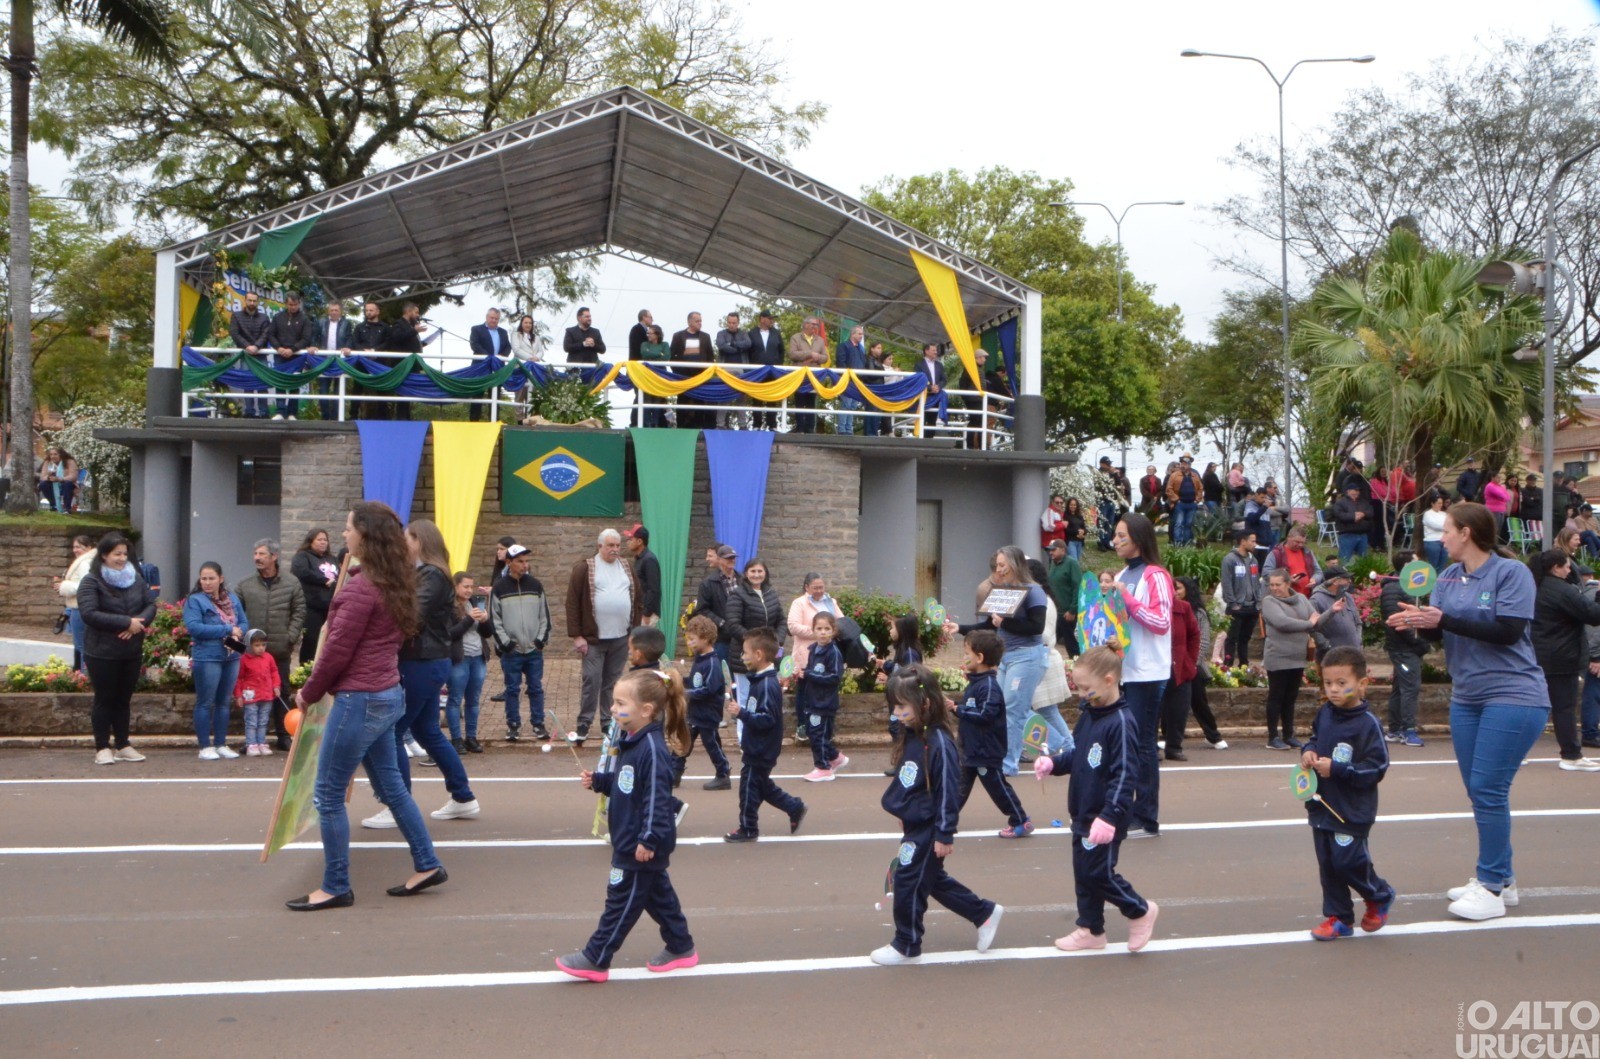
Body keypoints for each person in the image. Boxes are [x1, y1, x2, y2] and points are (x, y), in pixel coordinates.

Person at [1386, 502, 1550, 921]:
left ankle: (1491, 885)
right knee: (1480, 791)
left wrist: (1445, 619)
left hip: (1514, 694)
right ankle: (1504, 879)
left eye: (1447, 531)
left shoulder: (1510, 573)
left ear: (1468, 533)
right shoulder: (1446, 576)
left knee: (1489, 789)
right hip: (1467, 696)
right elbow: (1444, 629)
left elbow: (1508, 630)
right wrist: (1418, 623)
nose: (1442, 539)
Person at [288, 501, 444, 912]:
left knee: (328, 794)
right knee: (392, 786)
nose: (343, 534)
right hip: (388, 693)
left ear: (366, 536)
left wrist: (307, 693)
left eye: (348, 528)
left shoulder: (360, 588)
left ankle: (336, 884)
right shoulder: (393, 581)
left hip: (360, 699)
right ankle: (427, 863)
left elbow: (337, 653)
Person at [557, 669, 697, 981]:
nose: (613, 708)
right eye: (614, 702)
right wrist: (600, 781)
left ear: (646, 711)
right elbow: (626, 784)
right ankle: (681, 945)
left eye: (621, 703)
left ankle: (596, 957)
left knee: (620, 900)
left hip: (638, 843)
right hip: (631, 838)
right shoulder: (633, 740)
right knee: (656, 896)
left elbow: (656, 801)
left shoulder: (652, 750)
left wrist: (648, 839)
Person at [870, 665, 1003, 965]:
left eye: (902, 706)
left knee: (907, 882)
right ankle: (983, 913)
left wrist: (944, 834)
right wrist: (903, 809)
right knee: (929, 879)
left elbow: (947, 792)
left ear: (925, 704)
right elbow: (911, 780)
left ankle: (907, 942)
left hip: (930, 828)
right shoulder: (916, 735)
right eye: (895, 706)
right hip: (917, 823)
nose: (897, 712)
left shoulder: (939, 743)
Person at [1034, 646, 1159, 954]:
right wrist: (1054, 763)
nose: (1081, 694)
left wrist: (1109, 816)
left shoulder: (1121, 722)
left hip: (1105, 815)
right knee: (1083, 873)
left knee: (1097, 873)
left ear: (1108, 680)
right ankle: (1090, 928)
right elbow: (1079, 755)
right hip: (1083, 810)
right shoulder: (1090, 714)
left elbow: (1125, 774)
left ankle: (1139, 910)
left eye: (1086, 688)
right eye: (1078, 687)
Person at [369, 519, 479, 829]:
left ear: (420, 540)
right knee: (426, 731)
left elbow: (411, 613)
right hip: (428, 661)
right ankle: (463, 797)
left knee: (392, 731)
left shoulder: (432, 575)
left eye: (407, 538)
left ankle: (397, 804)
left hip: (422, 662)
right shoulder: (426, 574)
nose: (403, 543)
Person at [1299, 645, 1396, 941]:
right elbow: (1314, 738)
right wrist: (1309, 752)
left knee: (1348, 861)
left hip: (1351, 810)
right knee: (1328, 865)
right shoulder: (1325, 714)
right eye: (1328, 683)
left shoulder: (1368, 724)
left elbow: (1377, 767)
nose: (1334, 690)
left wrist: (1340, 770)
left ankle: (1378, 894)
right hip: (1321, 805)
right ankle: (1339, 917)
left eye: (1342, 683)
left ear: (1363, 683)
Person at [946, 546, 1050, 779]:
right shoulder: (1003, 591)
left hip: (1026, 655)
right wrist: (960, 628)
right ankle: (1002, 756)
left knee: (1013, 709)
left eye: (1003, 565)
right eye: (997, 566)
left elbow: (1036, 627)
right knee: (1000, 708)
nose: (999, 570)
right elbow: (990, 625)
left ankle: (1008, 764)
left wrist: (1005, 623)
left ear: (1015, 565)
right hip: (1005, 657)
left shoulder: (1034, 591)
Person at [1103, 514, 1173, 838]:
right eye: (1115, 536)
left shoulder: (1155, 575)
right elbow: (1122, 625)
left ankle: (1146, 816)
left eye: (1121, 536)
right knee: (1128, 744)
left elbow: (1160, 622)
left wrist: (1126, 599)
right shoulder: (1121, 574)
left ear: (1138, 538)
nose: (1115, 541)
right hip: (1126, 670)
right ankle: (1130, 809)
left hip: (1149, 671)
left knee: (1143, 744)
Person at [723, 627, 807, 843]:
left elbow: (767, 719)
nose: (742, 657)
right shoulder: (760, 681)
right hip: (758, 746)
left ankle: (748, 827)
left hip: (762, 748)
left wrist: (742, 713)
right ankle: (794, 806)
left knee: (749, 789)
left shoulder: (768, 684)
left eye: (745, 652)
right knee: (760, 785)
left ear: (758, 654)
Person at [78, 532, 156, 765]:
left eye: (125, 554)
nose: (122, 558)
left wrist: (137, 624)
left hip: (130, 650)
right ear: (104, 555)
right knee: (105, 699)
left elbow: (150, 605)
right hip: (102, 651)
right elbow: (89, 614)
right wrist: (125, 622)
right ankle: (102, 746)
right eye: (116, 554)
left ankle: (123, 744)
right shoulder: (91, 581)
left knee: (123, 699)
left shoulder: (136, 579)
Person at [954, 629, 1033, 838]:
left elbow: (985, 715)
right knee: (958, 787)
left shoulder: (989, 686)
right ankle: (945, 821)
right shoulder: (978, 682)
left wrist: (957, 709)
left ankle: (1020, 819)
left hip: (985, 751)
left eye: (967, 654)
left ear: (979, 658)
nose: (964, 658)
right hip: (971, 749)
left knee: (997, 788)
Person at [1527, 548, 1600, 771]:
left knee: (1527, 706)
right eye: (1567, 566)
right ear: (1556, 568)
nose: (1570, 570)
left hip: (1534, 654)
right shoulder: (1562, 590)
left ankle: (1513, 751)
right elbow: (1593, 615)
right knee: (1564, 708)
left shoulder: (1533, 586)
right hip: (1562, 657)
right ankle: (1571, 755)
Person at [567, 529, 642, 744]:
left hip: (620, 637)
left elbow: (637, 598)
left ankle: (608, 722)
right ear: (599, 546)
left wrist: (634, 633)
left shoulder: (626, 567)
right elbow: (572, 603)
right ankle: (583, 723)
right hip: (593, 639)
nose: (615, 549)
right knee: (592, 680)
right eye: (610, 545)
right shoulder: (585, 568)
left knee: (612, 682)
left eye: (618, 545)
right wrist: (577, 636)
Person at [236, 539, 306, 752]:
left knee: (281, 691)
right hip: (250, 654)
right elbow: (235, 614)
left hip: (279, 648)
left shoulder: (291, 583)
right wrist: (241, 644)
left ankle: (284, 736)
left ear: (274, 557)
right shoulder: (245, 585)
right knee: (250, 695)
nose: (257, 558)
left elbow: (300, 611)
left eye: (262, 554)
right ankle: (252, 740)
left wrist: (289, 637)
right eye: (255, 553)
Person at [1260, 569, 1335, 750]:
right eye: (1272, 585)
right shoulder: (1268, 602)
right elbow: (1282, 623)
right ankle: (1272, 737)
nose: (1274, 588)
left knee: (1290, 697)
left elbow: (1317, 620)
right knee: (1276, 697)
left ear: (1288, 584)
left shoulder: (1301, 598)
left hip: (1297, 656)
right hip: (1278, 656)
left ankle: (1288, 735)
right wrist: (1308, 623)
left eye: (1278, 585)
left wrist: (1333, 610)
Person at [183, 561, 247, 760]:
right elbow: (195, 628)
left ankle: (221, 743)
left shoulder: (233, 599)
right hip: (207, 656)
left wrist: (238, 633)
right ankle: (205, 746)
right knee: (205, 702)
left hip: (231, 654)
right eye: (204, 579)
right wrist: (228, 629)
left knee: (223, 702)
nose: (208, 583)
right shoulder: (195, 601)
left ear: (221, 579)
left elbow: (243, 621)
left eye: (212, 578)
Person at [491, 543, 552, 743]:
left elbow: (545, 616)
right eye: (520, 561)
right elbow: (495, 620)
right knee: (512, 689)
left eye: (527, 561)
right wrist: (506, 644)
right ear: (509, 563)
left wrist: (540, 640)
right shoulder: (499, 588)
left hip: (533, 649)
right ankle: (513, 725)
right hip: (513, 651)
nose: (525, 565)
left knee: (535, 687)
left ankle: (538, 723)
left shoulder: (535, 585)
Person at [1379, 550, 1430, 748]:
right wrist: (1418, 642)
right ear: (1407, 566)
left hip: (1408, 647)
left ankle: (1395, 729)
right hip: (1403, 648)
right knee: (1409, 688)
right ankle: (1407, 730)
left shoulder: (1411, 588)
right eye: (1416, 562)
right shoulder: (1394, 589)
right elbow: (1396, 622)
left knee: (1401, 688)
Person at [1175, 576, 1227, 749]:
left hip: (1192, 666)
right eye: (1174, 588)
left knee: (1199, 702)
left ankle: (1213, 736)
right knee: (1170, 703)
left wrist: (1191, 664)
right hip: (1173, 665)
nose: (1176, 592)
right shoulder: (1169, 610)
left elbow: (1203, 640)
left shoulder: (1198, 612)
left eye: (1179, 588)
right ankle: (1168, 737)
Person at [725, 557, 784, 706]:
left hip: (770, 654)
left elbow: (782, 620)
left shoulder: (771, 593)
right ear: (746, 573)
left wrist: (777, 641)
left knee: (766, 698)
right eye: (753, 571)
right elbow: (733, 625)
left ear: (765, 573)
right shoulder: (737, 594)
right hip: (745, 654)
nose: (756, 575)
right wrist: (755, 643)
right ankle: (742, 730)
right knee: (745, 700)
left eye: (760, 571)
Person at [682, 615, 731, 791]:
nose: (689, 643)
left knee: (711, 744)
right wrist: (680, 681)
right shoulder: (700, 658)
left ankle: (723, 773)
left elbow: (708, 690)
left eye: (692, 640)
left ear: (705, 638)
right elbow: (695, 682)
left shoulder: (712, 662)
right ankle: (674, 772)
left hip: (707, 713)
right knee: (684, 741)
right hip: (695, 712)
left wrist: (685, 693)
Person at [786, 572, 840, 733]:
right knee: (805, 691)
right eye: (815, 588)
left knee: (827, 689)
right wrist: (816, 633)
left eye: (821, 587)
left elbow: (840, 622)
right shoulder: (799, 603)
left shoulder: (831, 602)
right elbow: (793, 626)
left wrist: (829, 634)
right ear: (807, 587)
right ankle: (802, 725)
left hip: (828, 653)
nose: (819, 591)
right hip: (806, 654)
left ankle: (826, 727)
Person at [445, 573, 492, 754]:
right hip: (459, 658)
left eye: (471, 587)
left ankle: (471, 737)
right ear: (455, 586)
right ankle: (456, 739)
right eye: (465, 586)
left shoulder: (474, 602)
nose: (469, 590)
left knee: (473, 700)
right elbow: (450, 634)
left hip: (478, 657)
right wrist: (469, 619)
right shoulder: (448, 606)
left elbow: (487, 634)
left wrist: (486, 621)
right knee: (455, 699)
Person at [799, 612, 847, 782]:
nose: (823, 632)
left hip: (824, 702)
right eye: (819, 628)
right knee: (817, 734)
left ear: (833, 631)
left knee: (817, 734)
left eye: (827, 628)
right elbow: (811, 672)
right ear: (813, 630)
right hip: (814, 699)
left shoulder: (833, 652)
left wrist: (809, 674)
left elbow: (834, 677)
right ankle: (834, 757)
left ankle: (823, 767)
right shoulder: (813, 649)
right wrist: (802, 674)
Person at [1160, 573, 1201, 762]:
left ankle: (1174, 747)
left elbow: (1194, 635)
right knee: (1153, 710)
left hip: (1180, 668)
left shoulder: (1184, 608)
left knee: (1179, 710)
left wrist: (1190, 661)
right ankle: (1151, 746)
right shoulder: (1152, 608)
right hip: (1156, 667)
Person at [290, 528, 339, 665]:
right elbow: (301, 571)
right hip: (311, 607)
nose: (323, 542)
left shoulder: (332, 559)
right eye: (319, 539)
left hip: (331, 607)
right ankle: (306, 671)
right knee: (312, 640)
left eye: (325, 539)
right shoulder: (303, 556)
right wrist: (323, 580)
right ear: (311, 541)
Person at [266, 291, 315, 420]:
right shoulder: (277, 317)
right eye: (290, 304)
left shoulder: (304, 319)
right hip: (280, 355)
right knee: (280, 382)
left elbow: (306, 338)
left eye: (295, 304)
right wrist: (279, 348)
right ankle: (280, 412)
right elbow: (270, 334)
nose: (293, 307)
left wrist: (292, 349)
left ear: (299, 304)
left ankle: (292, 413)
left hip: (296, 356)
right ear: (285, 304)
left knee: (294, 383)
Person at [690, 544, 739, 665]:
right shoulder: (708, 583)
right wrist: (722, 623)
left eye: (733, 557)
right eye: (728, 558)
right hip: (721, 638)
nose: (732, 560)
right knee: (722, 672)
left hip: (739, 638)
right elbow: (702, 609)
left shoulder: (742, 580)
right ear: (720, 560)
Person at [234, 630, 280, 756]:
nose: (261, 648)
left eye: (263, 645)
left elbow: (274, 672)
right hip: (250, 695)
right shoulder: (244, 659)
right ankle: (251, 744)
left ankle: (261, 742)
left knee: (263, 721)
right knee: (251, 721)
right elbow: (239, 678)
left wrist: (276, 686)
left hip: (266, 695)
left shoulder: (268, 657)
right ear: (249, 645)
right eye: (257, 645)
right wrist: (238, 695)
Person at [228, 290, 273, 417]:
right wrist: (248, 346)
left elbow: (266, 334)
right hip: (246, 355)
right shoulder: (236, 316)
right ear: (245, 300)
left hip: (261, 355)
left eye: (254, 300)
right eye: (250, 300)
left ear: (257, 302)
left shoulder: (264, 318)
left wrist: (256, 346)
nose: (252, 303)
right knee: (248, 383)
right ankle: (249, 412)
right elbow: (235, 333)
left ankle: (264, 412)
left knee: (262, 383)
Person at [1220, 530, 1261, 666]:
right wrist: (1233, 603)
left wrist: (1258, 603)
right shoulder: (1230, 559)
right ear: (1243, 542)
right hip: (1236, 607)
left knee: (1245, 639)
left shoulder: (1253, 560)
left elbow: (1256, 582)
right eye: (1252, 541)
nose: (1255, 544)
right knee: (1231, 638)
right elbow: (1226, 583)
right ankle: (1228, 666)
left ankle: (1244, 665)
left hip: (1252, 607)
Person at [58, 533, 97, 672]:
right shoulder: (86, 561)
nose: (75, 550)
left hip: (79, 607)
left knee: (81, 645)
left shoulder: (84, 563)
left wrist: (64, 586)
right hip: (78, 607)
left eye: (79, 547)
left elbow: (84, 585)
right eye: (74, 547)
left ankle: (85, 676)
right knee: (81, 645)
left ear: (89, 547)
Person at [669, 312, 715, 429]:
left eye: (700, 320)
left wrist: (706, 372)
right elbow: (671, 356)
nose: (700, 323)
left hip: (700, 375)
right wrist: (677, 371)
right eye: (697, 321)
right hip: (683, 375)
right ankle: (681, 426)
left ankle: (699, 425)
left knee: (700, 400)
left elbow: (710, 356)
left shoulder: (705, 337)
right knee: (683, 400)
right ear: (689, 322)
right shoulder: (678, 336)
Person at [466, 308, 511, 421]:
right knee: (477, 396)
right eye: (492, 318)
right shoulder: (476, 329)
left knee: (495, 397)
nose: (494, 320)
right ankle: (474, 423)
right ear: (487, 317)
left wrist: (501, 356)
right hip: (480, 367)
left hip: (497, 368)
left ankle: (493, 422)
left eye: (496, 318)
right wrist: (490, 357)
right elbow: (474, 345)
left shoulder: (503, 332)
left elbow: (508, 347)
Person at [1309, 566, 1361, 662]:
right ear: (1335, 581)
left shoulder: (1348, 597)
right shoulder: (1316, 599)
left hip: (1354, 653)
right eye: (1346, 579)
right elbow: (1312, 628)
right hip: (1332, 657)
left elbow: (1358, 622)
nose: (1349, 581)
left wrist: (1358, 640)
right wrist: (1326, 646)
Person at [1261, 524, 1322, 599]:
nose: (1300, 545)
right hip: (1284, 598)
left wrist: (1315, 579)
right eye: (1297, 542)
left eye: (1303, 542)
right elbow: (1266, 573)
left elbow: (1318, 572)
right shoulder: (1276, 553)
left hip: (1306, 598)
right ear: (1288, 538)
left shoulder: (1308, 552)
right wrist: (1287, 579)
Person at [747, 310, 784, 429]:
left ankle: (772, 424)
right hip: (757, 371)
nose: (772, 321)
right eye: (770, 318)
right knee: (757, 398)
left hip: (772, 370)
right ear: (762, 319)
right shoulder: (751, 333)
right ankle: (757, 424)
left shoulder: (776, 333)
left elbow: (781, 350)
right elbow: (748, 352)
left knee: (772, 397)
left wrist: (778, 364)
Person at [1045, 539, 1082, 657]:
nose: (1051, 553)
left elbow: (1078, 587)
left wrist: (1072, 609)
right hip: (1055, 611)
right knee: (1048, 640)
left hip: (1067, 612)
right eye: (1049, 550)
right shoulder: (1052, 563)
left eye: (1053, 550)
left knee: (1071, 642)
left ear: (1063, 550)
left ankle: (1078, 665)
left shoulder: (1072, 563)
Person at [833, 325, 868, 436]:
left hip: (857, 381)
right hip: (847, 380)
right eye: (859, 334)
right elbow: (841, 362)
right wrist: (846, 377)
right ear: (852, 334)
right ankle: (842, 429)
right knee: (846, 404)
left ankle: (849, 429)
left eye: (862, 334)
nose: (861, 336)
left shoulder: (860, 349)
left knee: (853, 405)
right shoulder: (844, 346)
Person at [625, 524, 661, 625]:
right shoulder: (640, 559)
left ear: (639, 541)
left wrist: (647, 613)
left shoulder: (649, 560)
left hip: (646, 614)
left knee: (643, 640)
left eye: (631, 539)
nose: (628, 542)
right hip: (639, 610)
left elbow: (654, 589)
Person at [634, 325, 669, 426]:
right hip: (647, 375)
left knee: (657, 401)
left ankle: (655, 424)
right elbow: (645, 354)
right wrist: (659, 354)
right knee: (647, 400)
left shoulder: (665, 344)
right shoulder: (644, 344)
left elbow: (666, 357)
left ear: (657, 334)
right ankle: (647, 424)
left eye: (650, 333)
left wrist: (653, 355)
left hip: (659, 375)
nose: (648, 335)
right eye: (647, 333)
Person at [1165, 455, 1204, 546]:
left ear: (1189, 465)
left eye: (1185, 464)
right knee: (1178, 523)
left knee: (1189, 524)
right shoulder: (1174, 475)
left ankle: (1187, 542)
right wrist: (1176, 500)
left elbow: (1200, 488)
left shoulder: (1195, 476)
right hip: (1180, 504)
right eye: (1182, 463)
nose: (1183, 465)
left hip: (1192, 504)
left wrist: (1197, 500)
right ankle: (1177, 542)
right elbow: (1169, 489)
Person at [1333, 484, 1371, 563]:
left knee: (1364, 560)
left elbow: (1370, 512)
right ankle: (1342, 573)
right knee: (1344, 559)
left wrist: (1363, 514)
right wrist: (1353, 516)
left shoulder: (1363, 502)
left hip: (1362, 534)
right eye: (1355, 490)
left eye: (1358, 491)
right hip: (1347, 534)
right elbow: (1340, 515)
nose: (1357, 492)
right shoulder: (1340, 503)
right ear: (1348, 491)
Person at [914, 343, 946, 432]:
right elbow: (917, 380)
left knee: (932, 420)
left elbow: (944, 380)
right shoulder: (919, 365)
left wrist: (938, 387)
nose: (936, 352)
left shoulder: (939, 365)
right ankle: (922, 441)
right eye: (933, 350)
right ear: (926, 351)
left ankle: (930, 440)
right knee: (923, 419)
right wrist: (929, 388)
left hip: (936, 396)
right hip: (924, 396)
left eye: (936, 350)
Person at [36, 446, 78, 511]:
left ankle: (67, 508)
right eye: (51, 455)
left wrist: (60, 479)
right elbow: (43, 476)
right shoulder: (48, 462)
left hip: (66, 483)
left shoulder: (70, 461)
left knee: (67, 484)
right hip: (52, 484)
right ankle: (53, 505)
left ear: (61, 454)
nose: (53, 456)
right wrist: (48, 477)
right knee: (43, 484)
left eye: (55, 454)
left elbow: (73, 476)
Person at [1421, 492, 1449, 571]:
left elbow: (1449, 523)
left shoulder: (1444, 514)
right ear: (1432, 503)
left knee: (1442, 564)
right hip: (1432, 541)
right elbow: (1435, 525)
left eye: (1441, 503)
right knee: (1433, 565)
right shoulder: (1427, 514)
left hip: (1444, 540)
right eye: (1438, 503)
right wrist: (1446, 527)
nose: (1440, 505)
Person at [1483, 471, 1510, 541]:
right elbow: (1502, 495)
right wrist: (1502, 497)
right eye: (1498, 477)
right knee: (1494, 527)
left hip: (1501, 510)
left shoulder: (1500, 486)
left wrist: (1503, 496)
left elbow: (1507, 497)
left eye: (1500, 477)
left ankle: (1496, 543)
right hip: (1493, 509)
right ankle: (1491, 543)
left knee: (1499, 529)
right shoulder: (1490, 486)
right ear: (1492, 478)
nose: (1499, 479)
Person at [1062, 496, 1088, 562]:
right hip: (1071, 542)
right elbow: (1065, 529)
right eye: (1071, 505)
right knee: (1074, 561)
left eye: (1074, 505)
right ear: (1068, 505)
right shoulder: (1065, 515)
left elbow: (1084, 527)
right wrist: (1077, 532)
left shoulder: (1079, 516)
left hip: (1080, 541)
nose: (1073, 506)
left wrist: (1083, 532)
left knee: (1077, 561)